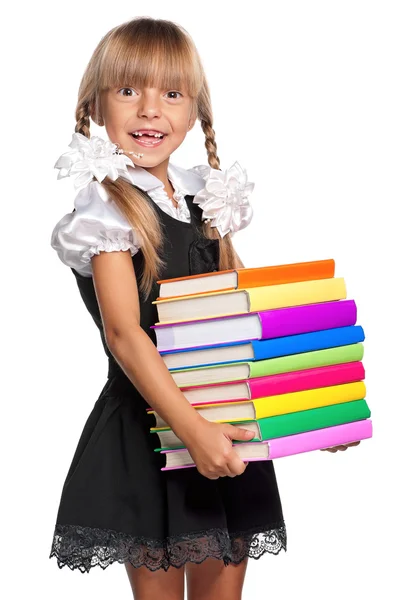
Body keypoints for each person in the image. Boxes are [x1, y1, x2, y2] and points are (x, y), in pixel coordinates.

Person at [48, 16, 359, 599]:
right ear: (96, 105)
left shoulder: (204, 202)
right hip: (153, 433)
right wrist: (190, 429)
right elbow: (124, 335)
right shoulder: (105, 212)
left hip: (226, 428)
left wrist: (315, 415)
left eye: (171, 93)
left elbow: (242, 325)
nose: (149, 110)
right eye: (128, 90)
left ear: (195, 112)